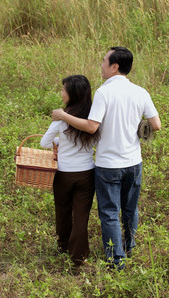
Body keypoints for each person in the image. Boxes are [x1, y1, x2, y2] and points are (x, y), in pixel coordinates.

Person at [52, 47, 161, 270]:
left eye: (104, 61)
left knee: (110, 212)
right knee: (130, 209)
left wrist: (64, 115)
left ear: (114, 66)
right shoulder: (141, 92)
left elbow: (92, 127)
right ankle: (129, 246)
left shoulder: (104, 93)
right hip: (133, 162)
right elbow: (156, 125)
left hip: (108, 165)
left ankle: (116, 260)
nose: (100, 65)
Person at [40, 75, 100, 267]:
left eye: (64, 90)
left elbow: (44, 142)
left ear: (73, 94)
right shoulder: (93, 118)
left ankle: (63, 246)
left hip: (64, 174)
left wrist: (59, 142)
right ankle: (78, 257)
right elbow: (97, 139)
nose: (61, 93)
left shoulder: (61, 118)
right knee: (81, 216)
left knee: (63, 211)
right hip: (87, 173)